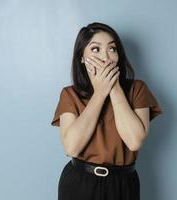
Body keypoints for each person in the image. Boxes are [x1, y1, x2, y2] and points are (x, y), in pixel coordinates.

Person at [50, 22, 163, 200]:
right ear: (81, 58)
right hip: (80, 183)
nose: (106, 57)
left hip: (123, 184)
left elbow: (134, 141)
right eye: (95, 49)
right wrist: (100, 93)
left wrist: (114, 88)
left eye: (112, 49)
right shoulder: (70, 94)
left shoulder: (137, 89)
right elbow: (71, 147)